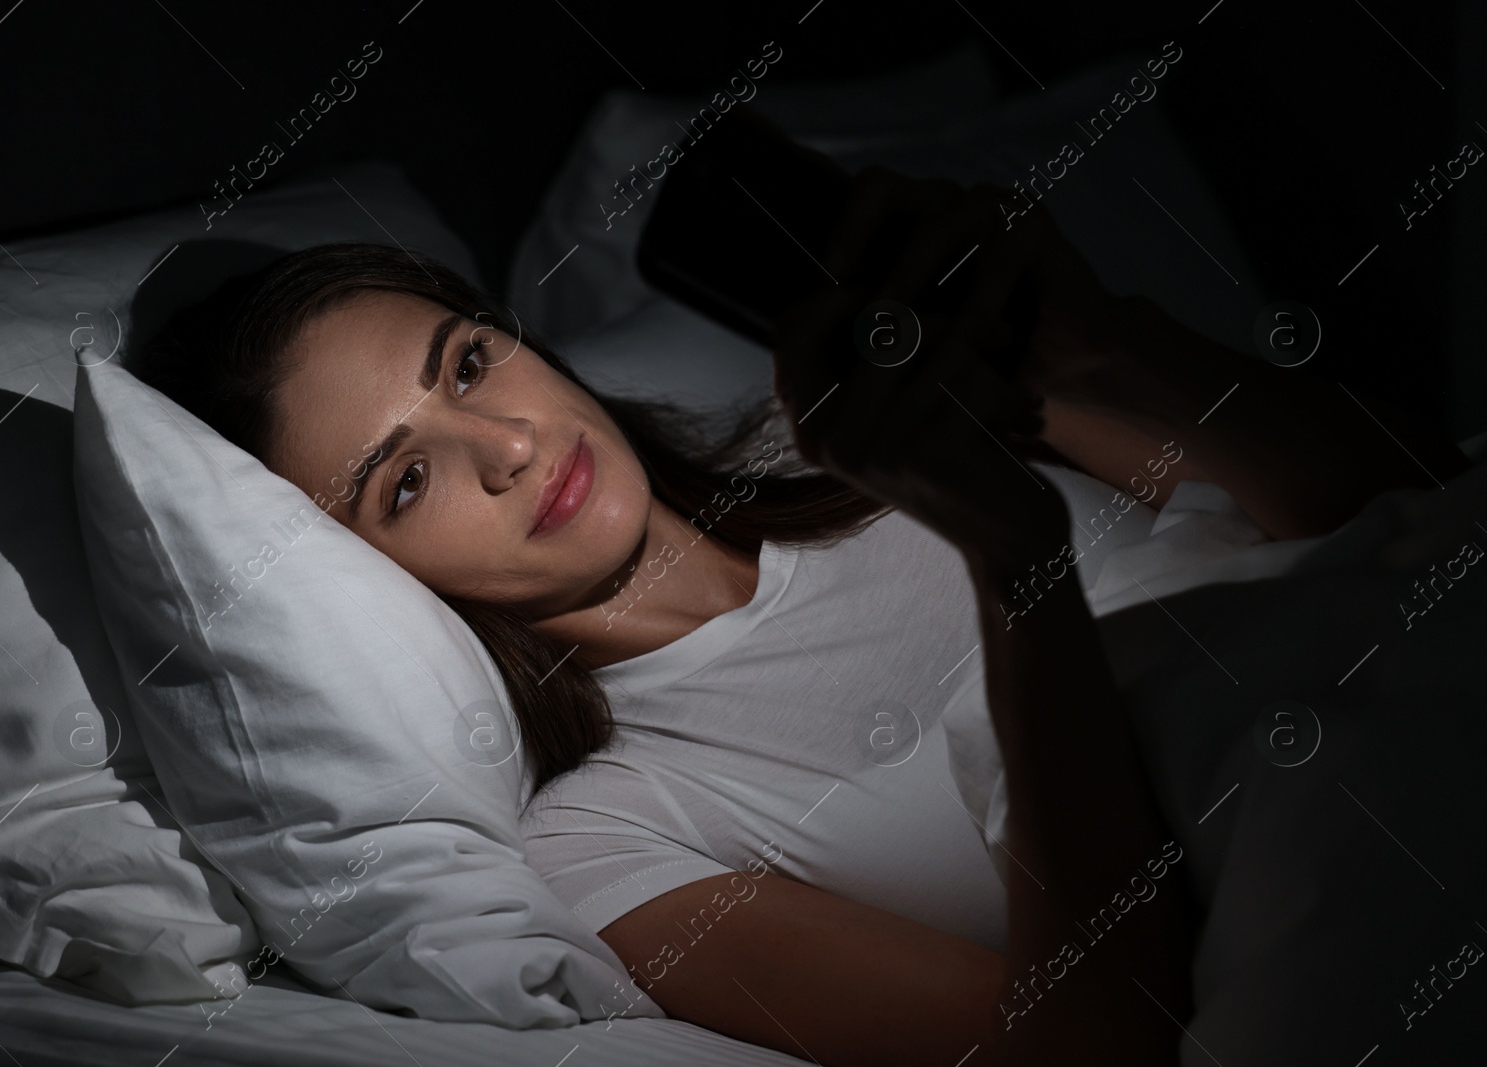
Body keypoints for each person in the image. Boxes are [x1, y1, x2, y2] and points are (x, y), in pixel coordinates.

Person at [134, 167, 1469, 1066]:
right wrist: (1019, 567)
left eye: (471, 362)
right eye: (406, 480)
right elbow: (1087, 1045)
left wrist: (1094, 340)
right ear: (367, 578)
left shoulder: (830, 426)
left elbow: (1388, 494)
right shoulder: (609, 841)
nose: (505, 447)